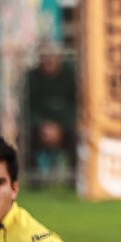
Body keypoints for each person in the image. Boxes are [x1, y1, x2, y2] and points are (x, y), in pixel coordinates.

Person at [25, 42, 76, 177]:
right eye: (45, 58)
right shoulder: (32, 77)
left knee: (77, 135)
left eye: (52, 58)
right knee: (25, 136)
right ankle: (33, 178)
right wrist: (43, 125)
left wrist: (60, 127)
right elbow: (28, 109)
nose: (49, 62)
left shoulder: (70, 75)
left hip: (65, 126)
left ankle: (74, 177)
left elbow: (76, 106)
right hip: (40, 127)